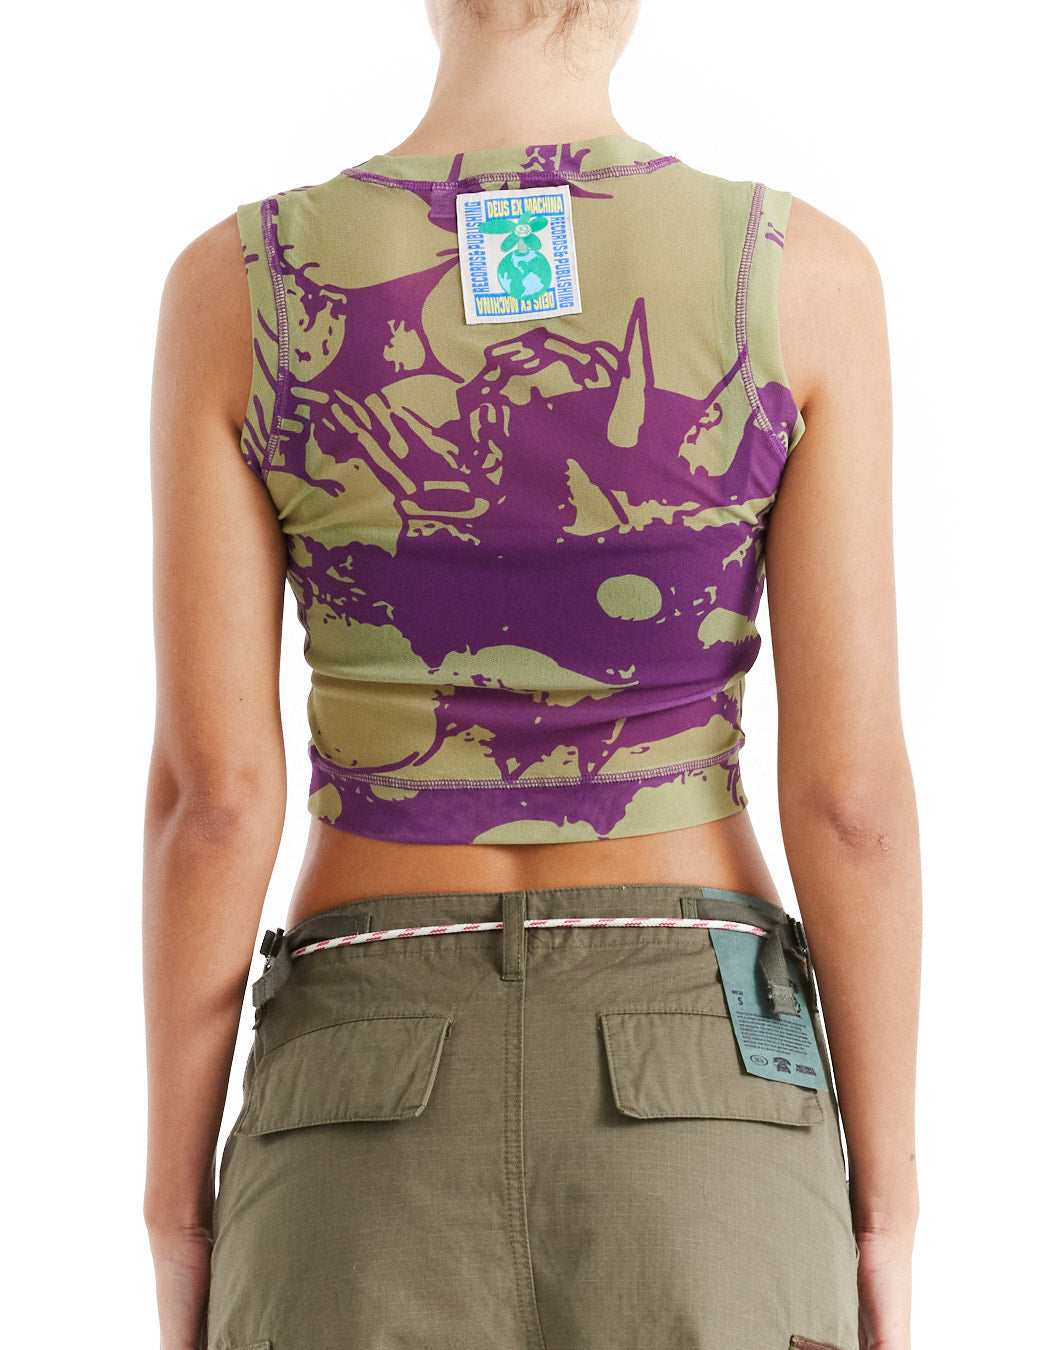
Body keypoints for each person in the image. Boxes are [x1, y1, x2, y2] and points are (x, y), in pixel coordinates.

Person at [142, 1, 921, 1346]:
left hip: (356, 1089)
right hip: (708, 1096)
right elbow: (852, 805)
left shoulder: (242, 287)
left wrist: (175, 1207)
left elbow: (214, 803)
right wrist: (887, 1208)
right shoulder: (802, 277)